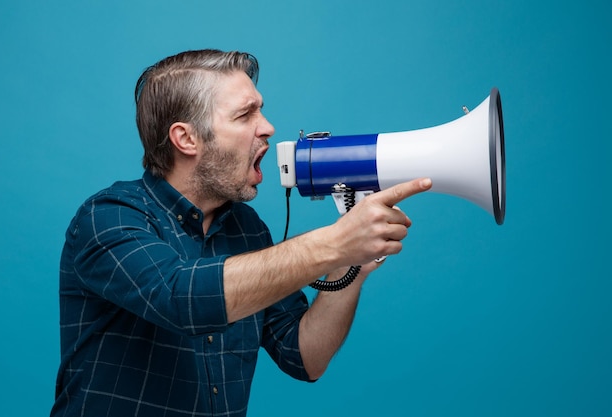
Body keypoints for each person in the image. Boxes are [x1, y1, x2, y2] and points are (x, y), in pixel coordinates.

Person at [51, 49, 432, 417]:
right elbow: (179, 297)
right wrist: (334, 242)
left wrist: (352, 263)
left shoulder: (247, 229)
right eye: (245, 114)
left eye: (261, 109)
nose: (267, 127)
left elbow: (305, 356)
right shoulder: (110, 218)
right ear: (187, 139)